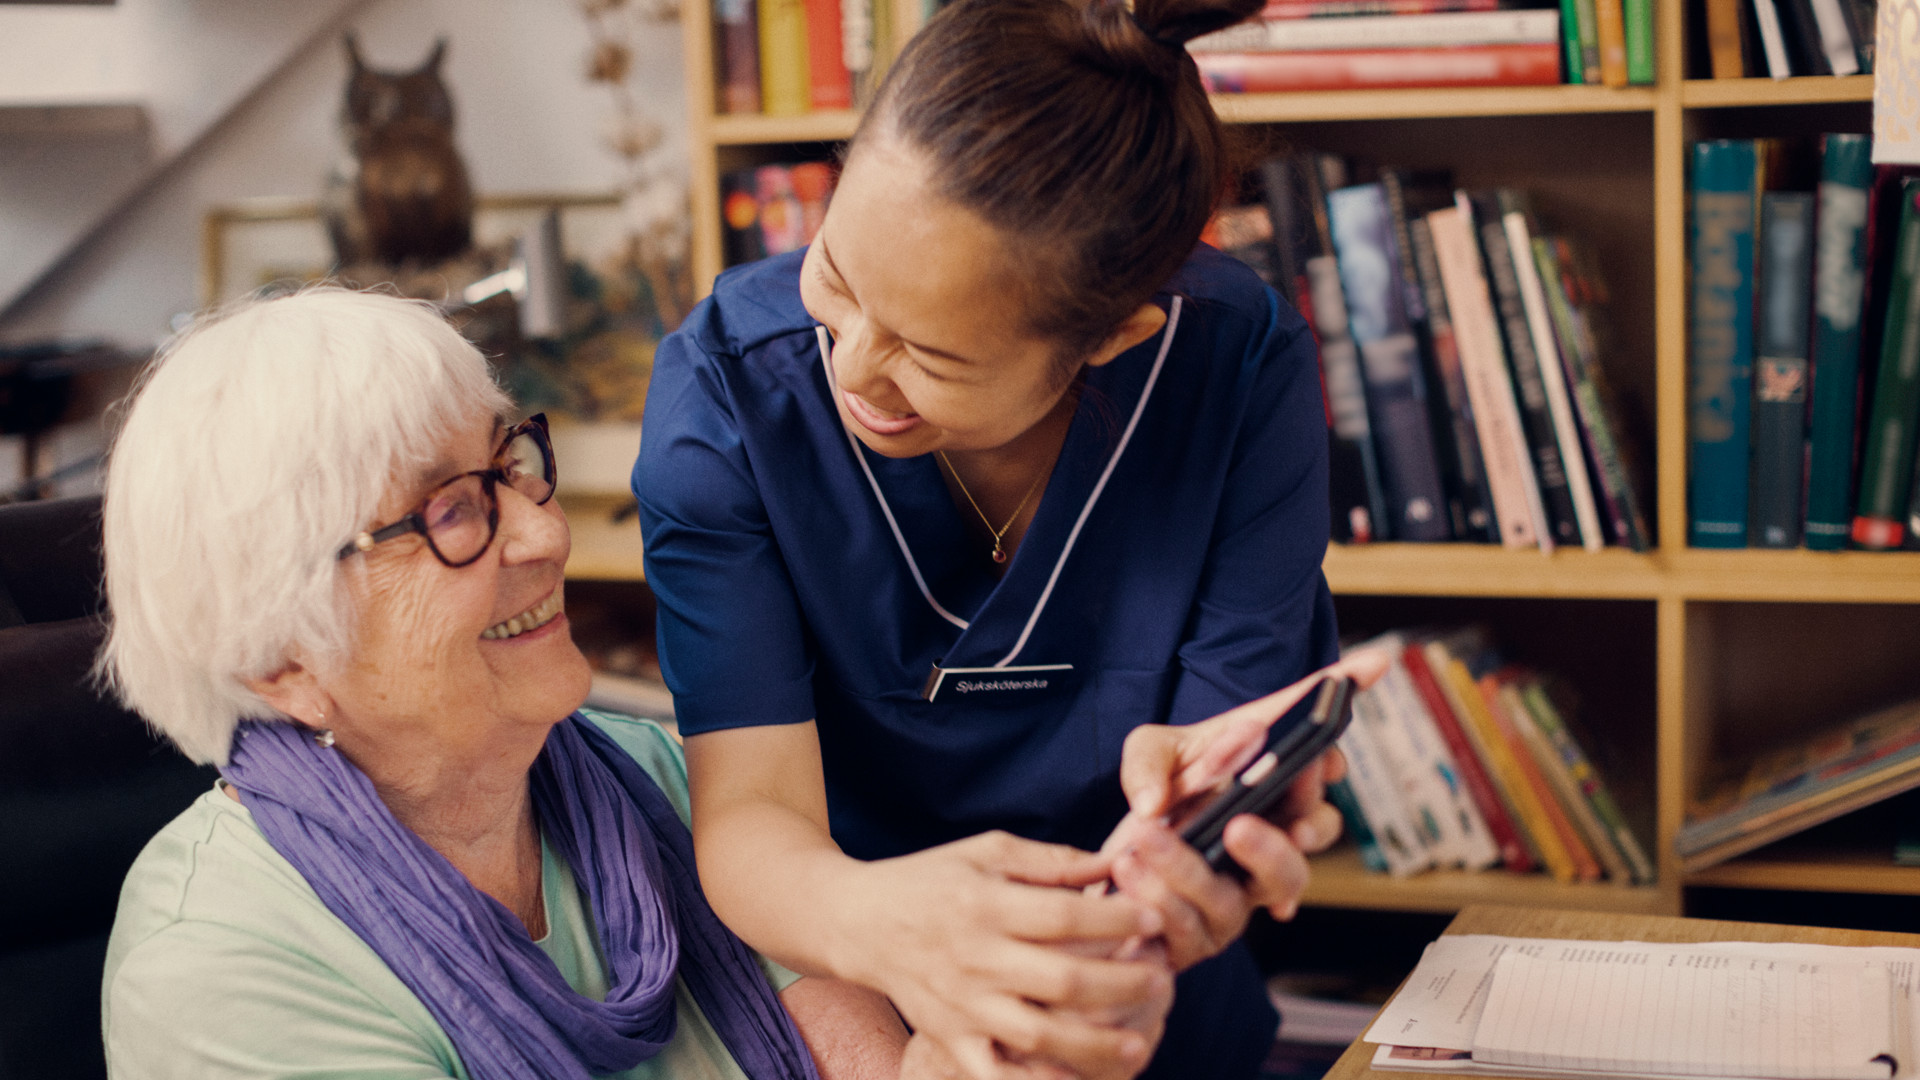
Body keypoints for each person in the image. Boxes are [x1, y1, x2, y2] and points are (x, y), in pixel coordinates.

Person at [632, 0, 1385, 1074]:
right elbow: (750, 817)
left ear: (1112, 336)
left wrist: (1192, 840)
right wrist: (890, 933)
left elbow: (1221, 741)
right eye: (837, 277)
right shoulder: (727, 394)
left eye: (933, 353)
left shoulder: (1239, 368)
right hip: (863, 1000)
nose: (849, 366)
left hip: (1146, 1000)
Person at [93, 288, 974, 1080]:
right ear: (279, 657)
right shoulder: (218, 970)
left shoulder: (658, 777)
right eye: (449, 512)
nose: (544, 536)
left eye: (508, 466)